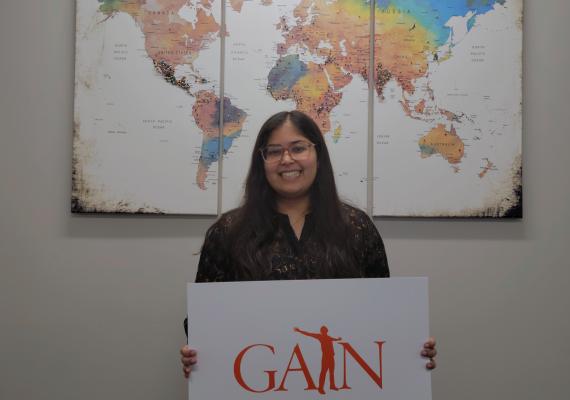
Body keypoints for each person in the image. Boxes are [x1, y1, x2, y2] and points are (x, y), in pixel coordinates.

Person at [180, 111, 437, 377]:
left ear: (318, 154)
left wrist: (410, 349)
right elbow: (202, 320)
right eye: (274, 151)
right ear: (262, 161)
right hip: (258, 384)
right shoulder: (229, 231)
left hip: (341, 387)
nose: (287, 160)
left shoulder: (357, 228)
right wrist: (197, 354)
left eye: (298, 148)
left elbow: (385, 316)